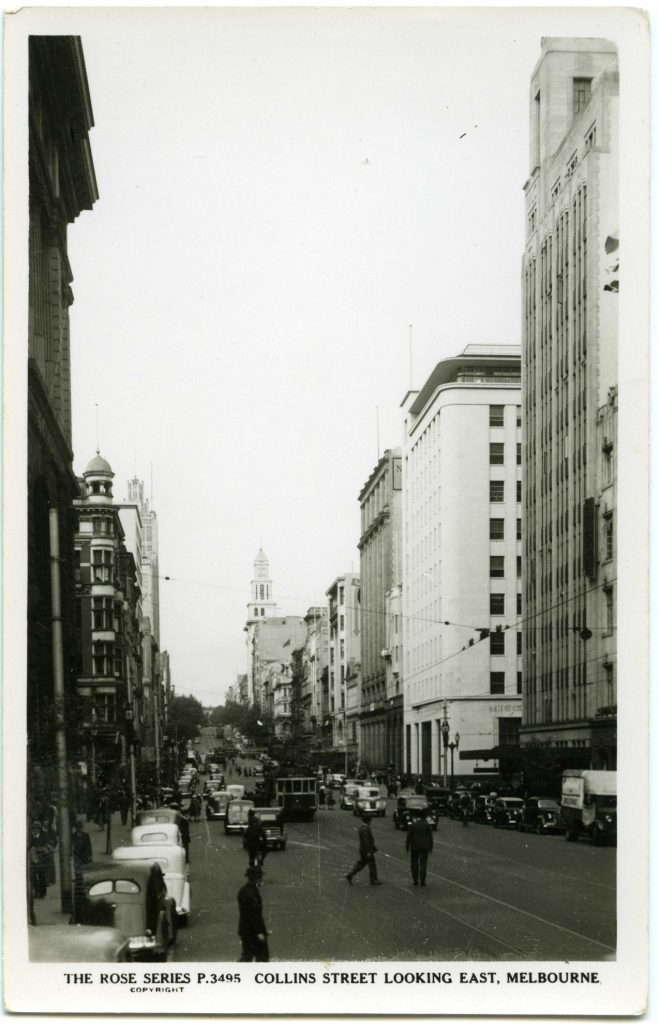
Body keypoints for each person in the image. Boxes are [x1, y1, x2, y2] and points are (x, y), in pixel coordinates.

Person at [237, 865, 269, 962]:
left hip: (244, 929)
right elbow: (254, 915)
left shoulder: (243, 890)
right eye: (260, 878)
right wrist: (259, 932)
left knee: (247, 955)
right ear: (257, 879)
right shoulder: (252, 894)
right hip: (253, 931)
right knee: (262, 956)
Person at [345, 814, 382, 886]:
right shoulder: (366, 829)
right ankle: (373, 880)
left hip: (362, 849)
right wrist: (369, 851)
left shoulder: (361, 828)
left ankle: (351, 874)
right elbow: (366, 841)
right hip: (367, 850)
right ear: (368, 821)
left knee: (361, 863)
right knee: (372, 864)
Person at [405, 812, 434, 886]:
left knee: (414, 863)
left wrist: (407, 846)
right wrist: (431, 846)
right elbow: (430, 837)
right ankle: (423, 881)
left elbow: (409, 837)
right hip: (424, 846)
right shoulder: (427, 825)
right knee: (423, 864)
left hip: (415, 846)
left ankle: (415, 880)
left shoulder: (413, 825)